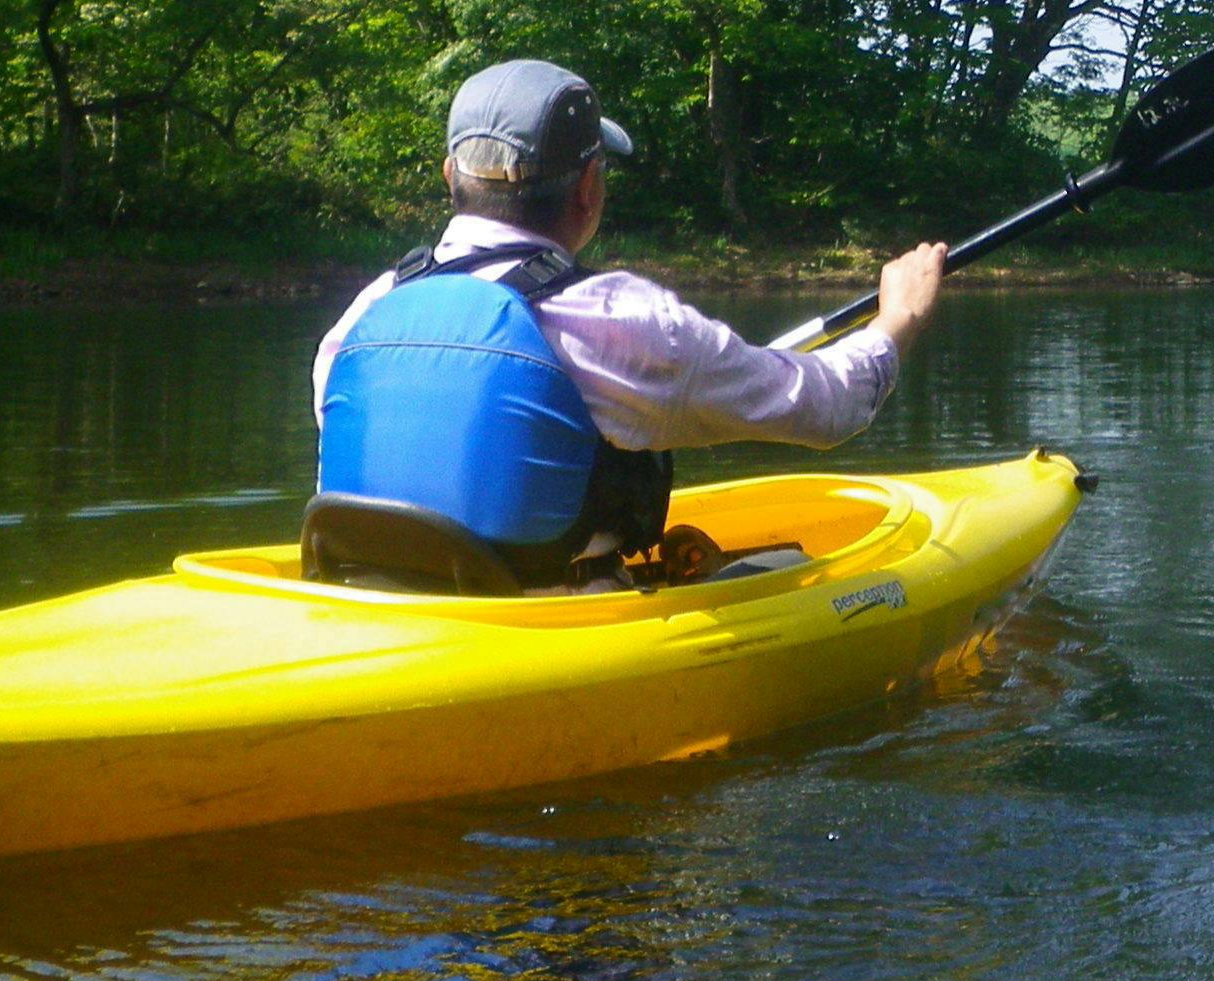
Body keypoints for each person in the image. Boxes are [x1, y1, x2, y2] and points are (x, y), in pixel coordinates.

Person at [305, 58, 951, 593]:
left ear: (450, 177)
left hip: (374, 613)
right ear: (589, 187)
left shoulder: (361, 318)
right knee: (792, 569)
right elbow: (825, 406)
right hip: (546, 630)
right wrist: (895, 324)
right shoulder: (621, 324)